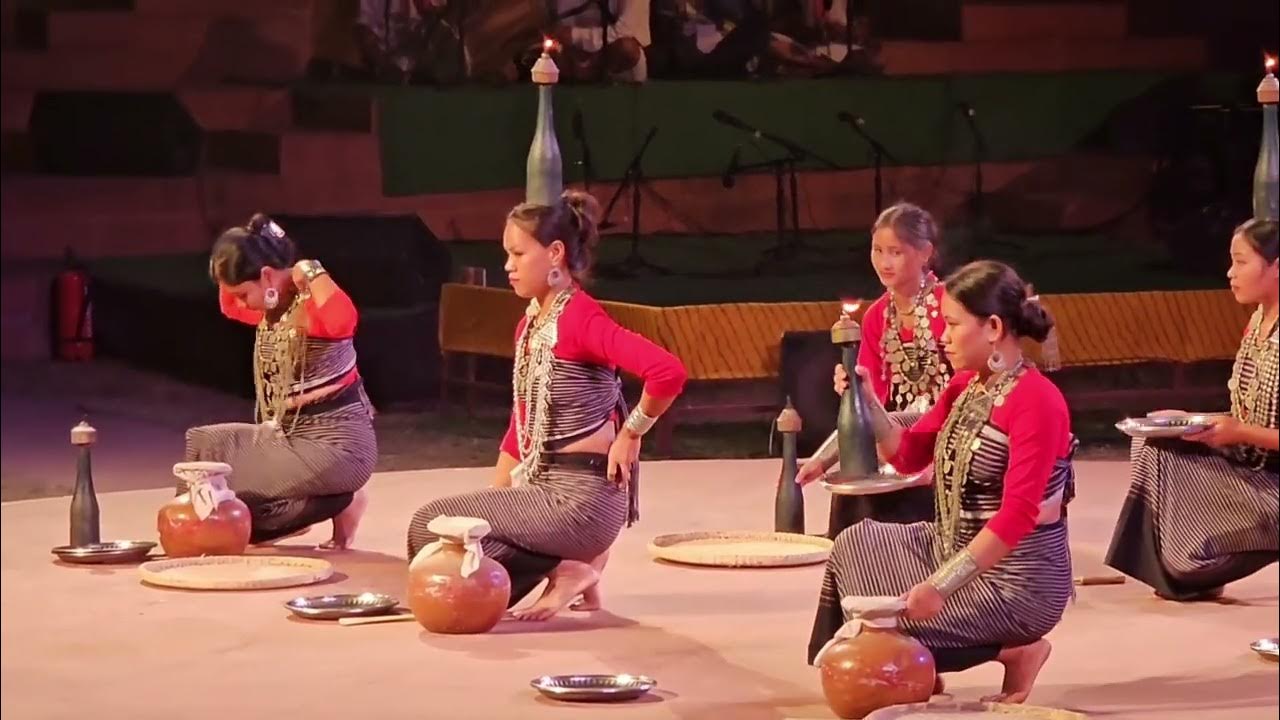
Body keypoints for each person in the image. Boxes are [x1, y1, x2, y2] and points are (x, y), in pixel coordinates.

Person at [407, 190, 688, 621]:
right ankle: (570, 571)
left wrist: (631, 433)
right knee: (462, 541)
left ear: (555, 253)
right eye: (507, 254)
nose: (507, 265)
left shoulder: (580, 318)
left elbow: (667, 371)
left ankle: (571, 566)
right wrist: (493, 502)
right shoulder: (532, 322)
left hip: (580, 502)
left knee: (428, 522)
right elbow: (522, 425)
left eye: (518, 253)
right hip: (543, 493)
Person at [805, 260, 1076, 704]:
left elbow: (1017, 516)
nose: (942, 337)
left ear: (992, 327)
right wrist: (867, 399)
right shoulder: (967, 385)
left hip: (1016, 581)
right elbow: (909, 455)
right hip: (951, 546)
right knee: (855, 544)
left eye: (951, 325)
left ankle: (1017, 648)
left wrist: (940, 586)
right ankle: (908, 661)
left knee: (888, 614)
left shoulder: (1038, 401)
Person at [1105, 218, 1279, 601]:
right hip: (1252, 462)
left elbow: (1250, 429)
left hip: (1273, 479)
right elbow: (1249, 413)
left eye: (1241, 262)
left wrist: (1240, 432)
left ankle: (1194, 565)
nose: (1230, 273)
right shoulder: (1259, 320)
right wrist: (1197, 423)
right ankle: (1183, 567)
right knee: (1154, 444)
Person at [182, 214, 377, 550]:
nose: (241, 302)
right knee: (208, 447)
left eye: (244, 292)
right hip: (290, 438)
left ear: (267, 275)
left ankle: (343, 496)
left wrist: (311, 269)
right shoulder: (273, 309)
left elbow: (345, 319)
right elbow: (230, 308)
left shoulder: (312, 310)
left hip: (338, 447)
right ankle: (338, 499)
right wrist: (227, 255)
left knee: (219, 482)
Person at [795, 202, 952, 535]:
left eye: (895, 252)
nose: (884, 262)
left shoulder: (949, 303)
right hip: (897, 435)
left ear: (925, 252)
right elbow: (868, 407)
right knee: (857, 474)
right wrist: (823, 460)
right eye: (877, 250)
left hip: (949, 432)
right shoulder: (877, 316)